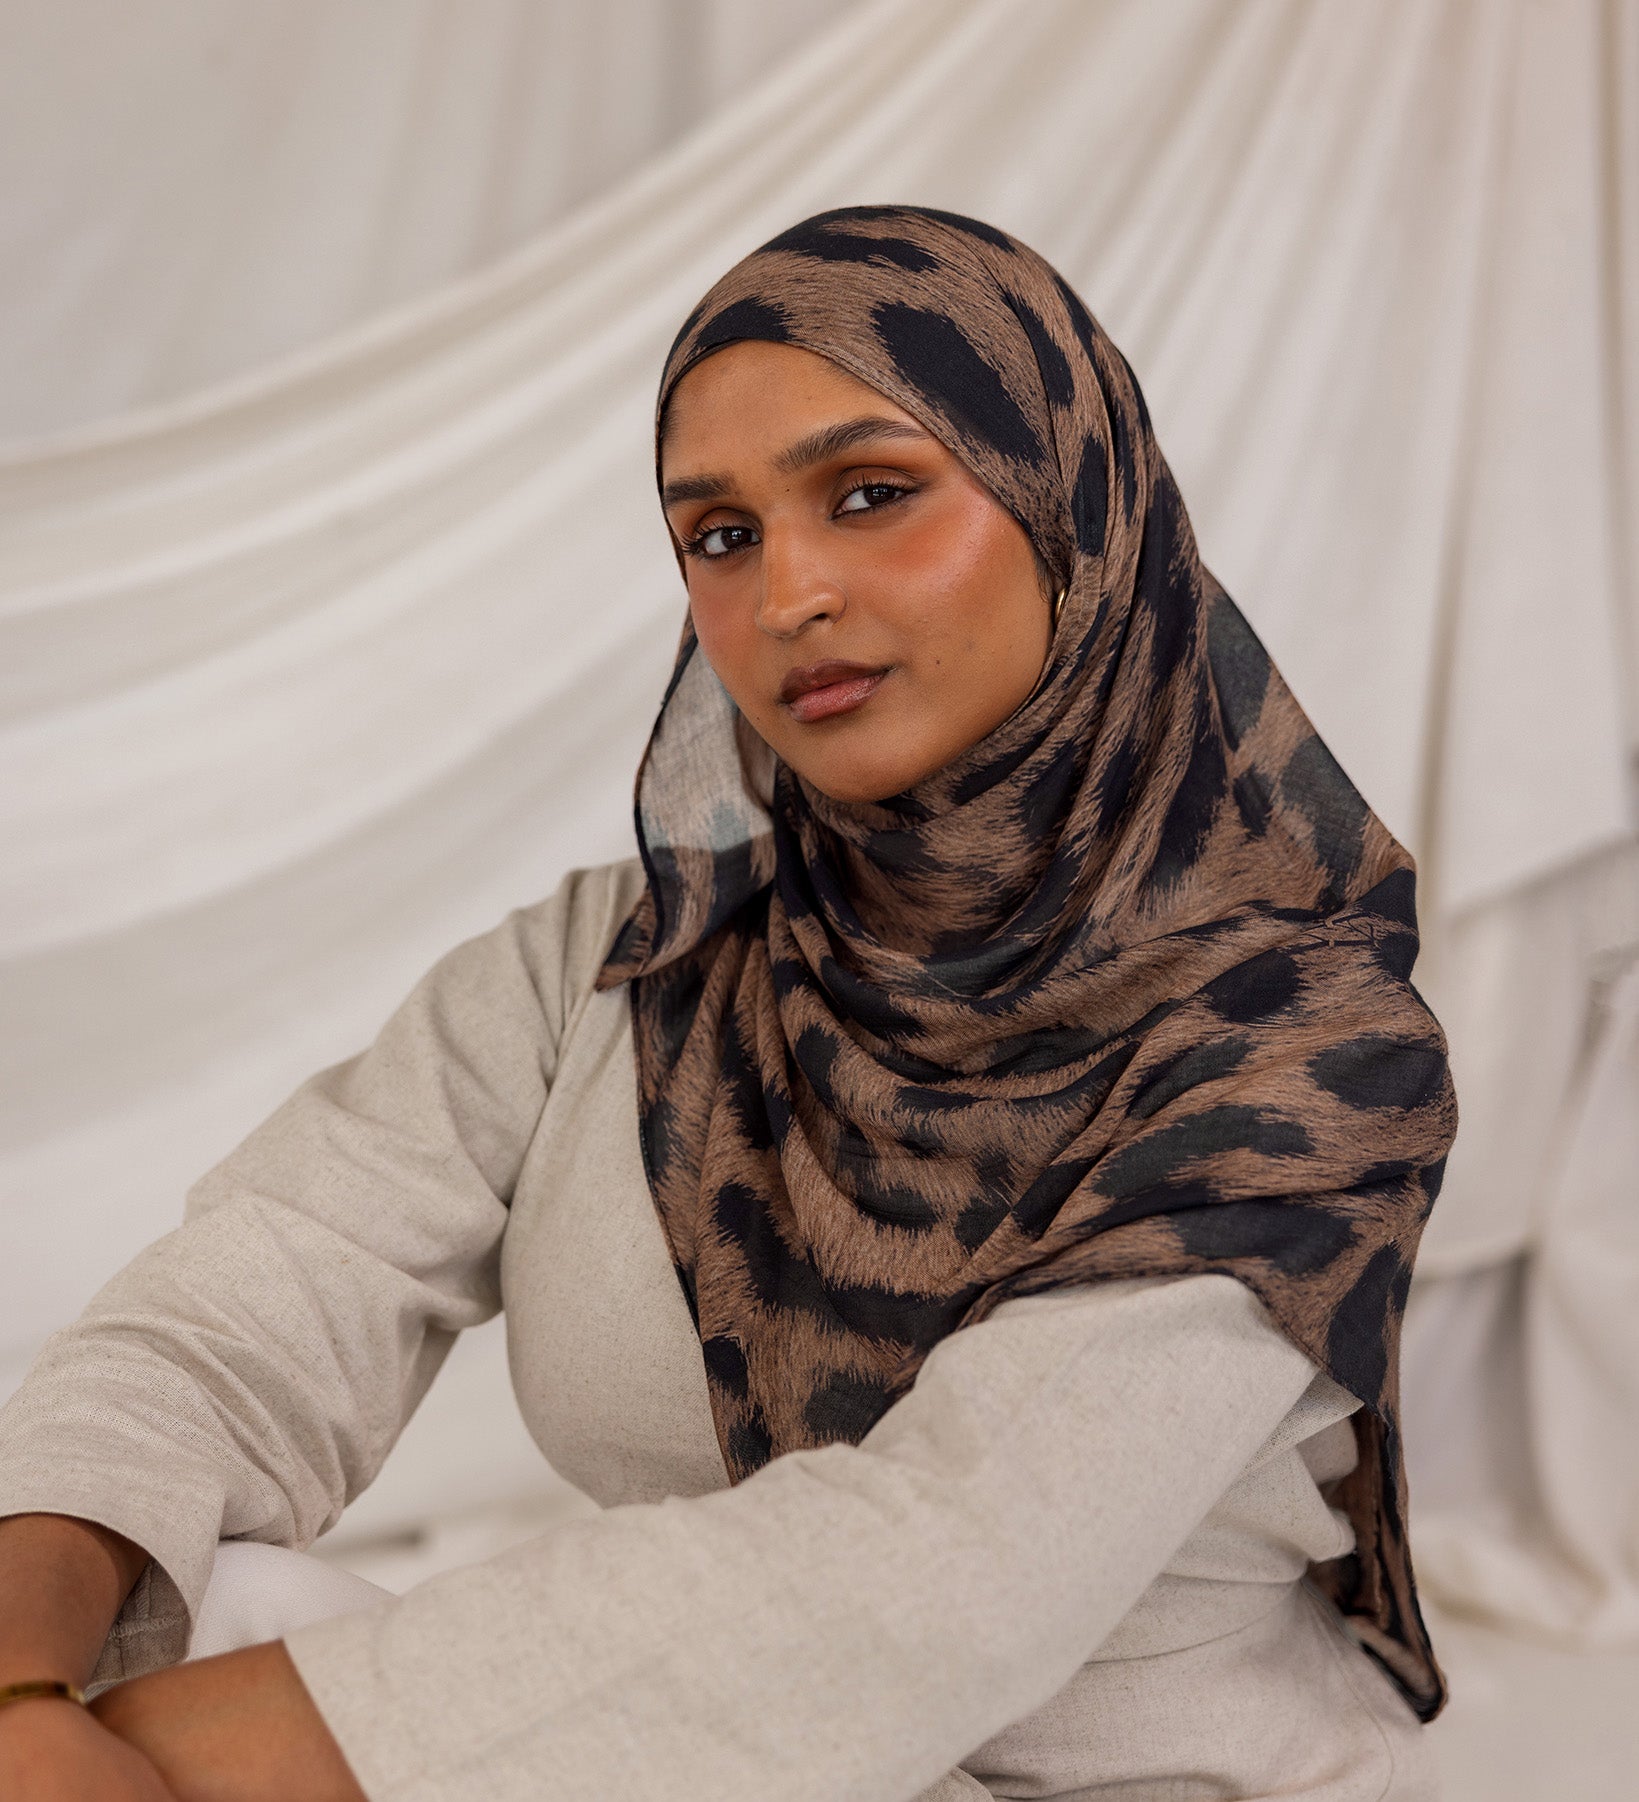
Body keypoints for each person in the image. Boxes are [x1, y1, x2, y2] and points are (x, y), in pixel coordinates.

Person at [0, 205, 1456, 1801]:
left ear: (1071, 502)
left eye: (871, 493)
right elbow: (244, 1309)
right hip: (698, 1759)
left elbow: (936, 1575)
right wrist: (20, 1690)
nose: (788, 592)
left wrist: (154, 1764)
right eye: (719, 534)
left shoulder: (1302, 1048)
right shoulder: (631, 967)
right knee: (188, 1595)